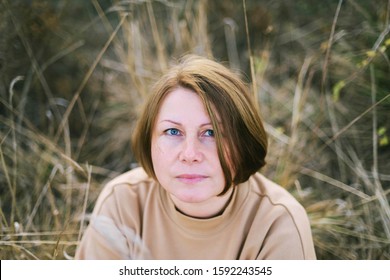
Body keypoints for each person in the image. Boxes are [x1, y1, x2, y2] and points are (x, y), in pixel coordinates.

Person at [75, 55, 316, 260]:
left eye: (211, 133)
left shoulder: (277, 223)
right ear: (149, 140)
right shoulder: (123, 202)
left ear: (243, 143)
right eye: (172, 131)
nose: (190, 154)